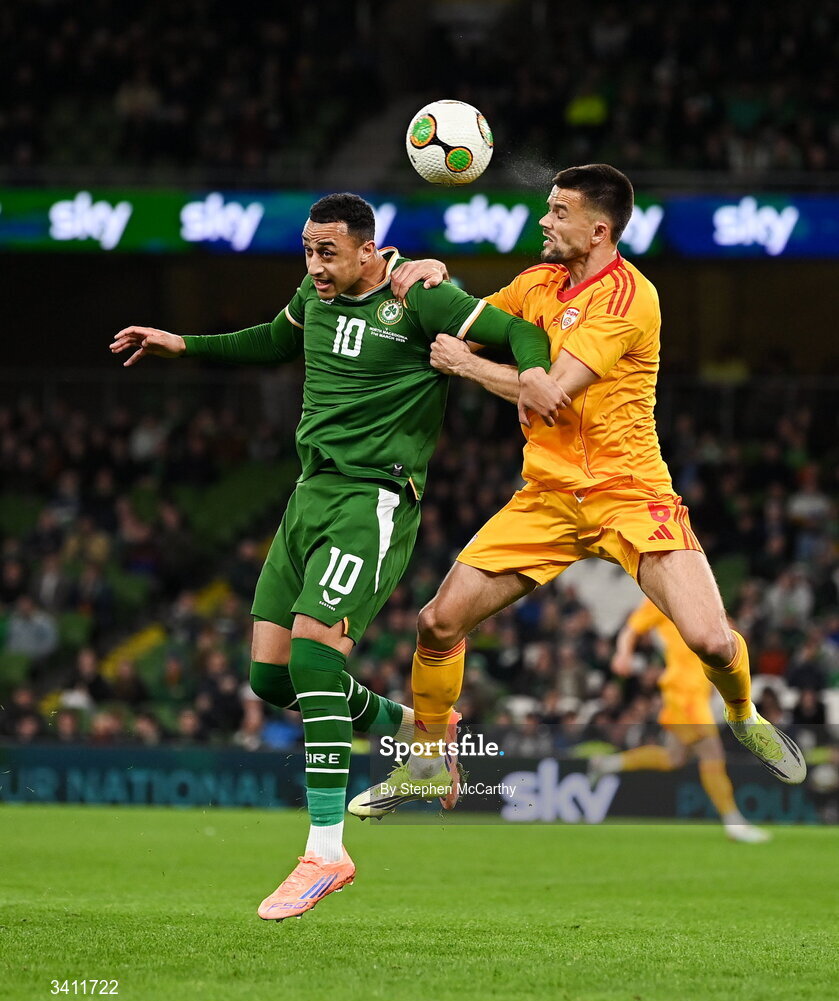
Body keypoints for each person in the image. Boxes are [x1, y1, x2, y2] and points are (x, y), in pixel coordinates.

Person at [111, 191, 563, 920]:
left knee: (316, 660)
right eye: (307, 251)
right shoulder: (312, 297)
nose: (315, 266)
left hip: (371, 500)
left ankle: (325, 851)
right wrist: (182, 344)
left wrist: (530, 380)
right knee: (268, 677)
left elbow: (521, 335)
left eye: (328, 253)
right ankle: (420, 737)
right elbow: (269, 339)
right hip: (307, 497)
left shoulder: (421, 296)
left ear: (366, 251)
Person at [348, 164, 806, 819]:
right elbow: (474, 318)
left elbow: (548, 392)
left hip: (629, 494)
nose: (544, 220)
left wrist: (464, 365)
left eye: (558, 212)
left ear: (598, 229)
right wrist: (430, 274)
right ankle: (425, 760)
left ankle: (740, 712)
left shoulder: (627, 298)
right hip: (547, 498)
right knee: (436, 622)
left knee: (709, 641)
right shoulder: (537, 283)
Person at [588, 598, 769, 843]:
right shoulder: (661, 599)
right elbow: (632, 628)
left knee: (674, 758)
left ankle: (608, 764)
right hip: (685, 695)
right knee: (712, 754)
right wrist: (623, 653)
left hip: (690, 694)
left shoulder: (697, 591)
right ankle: (734, 823)